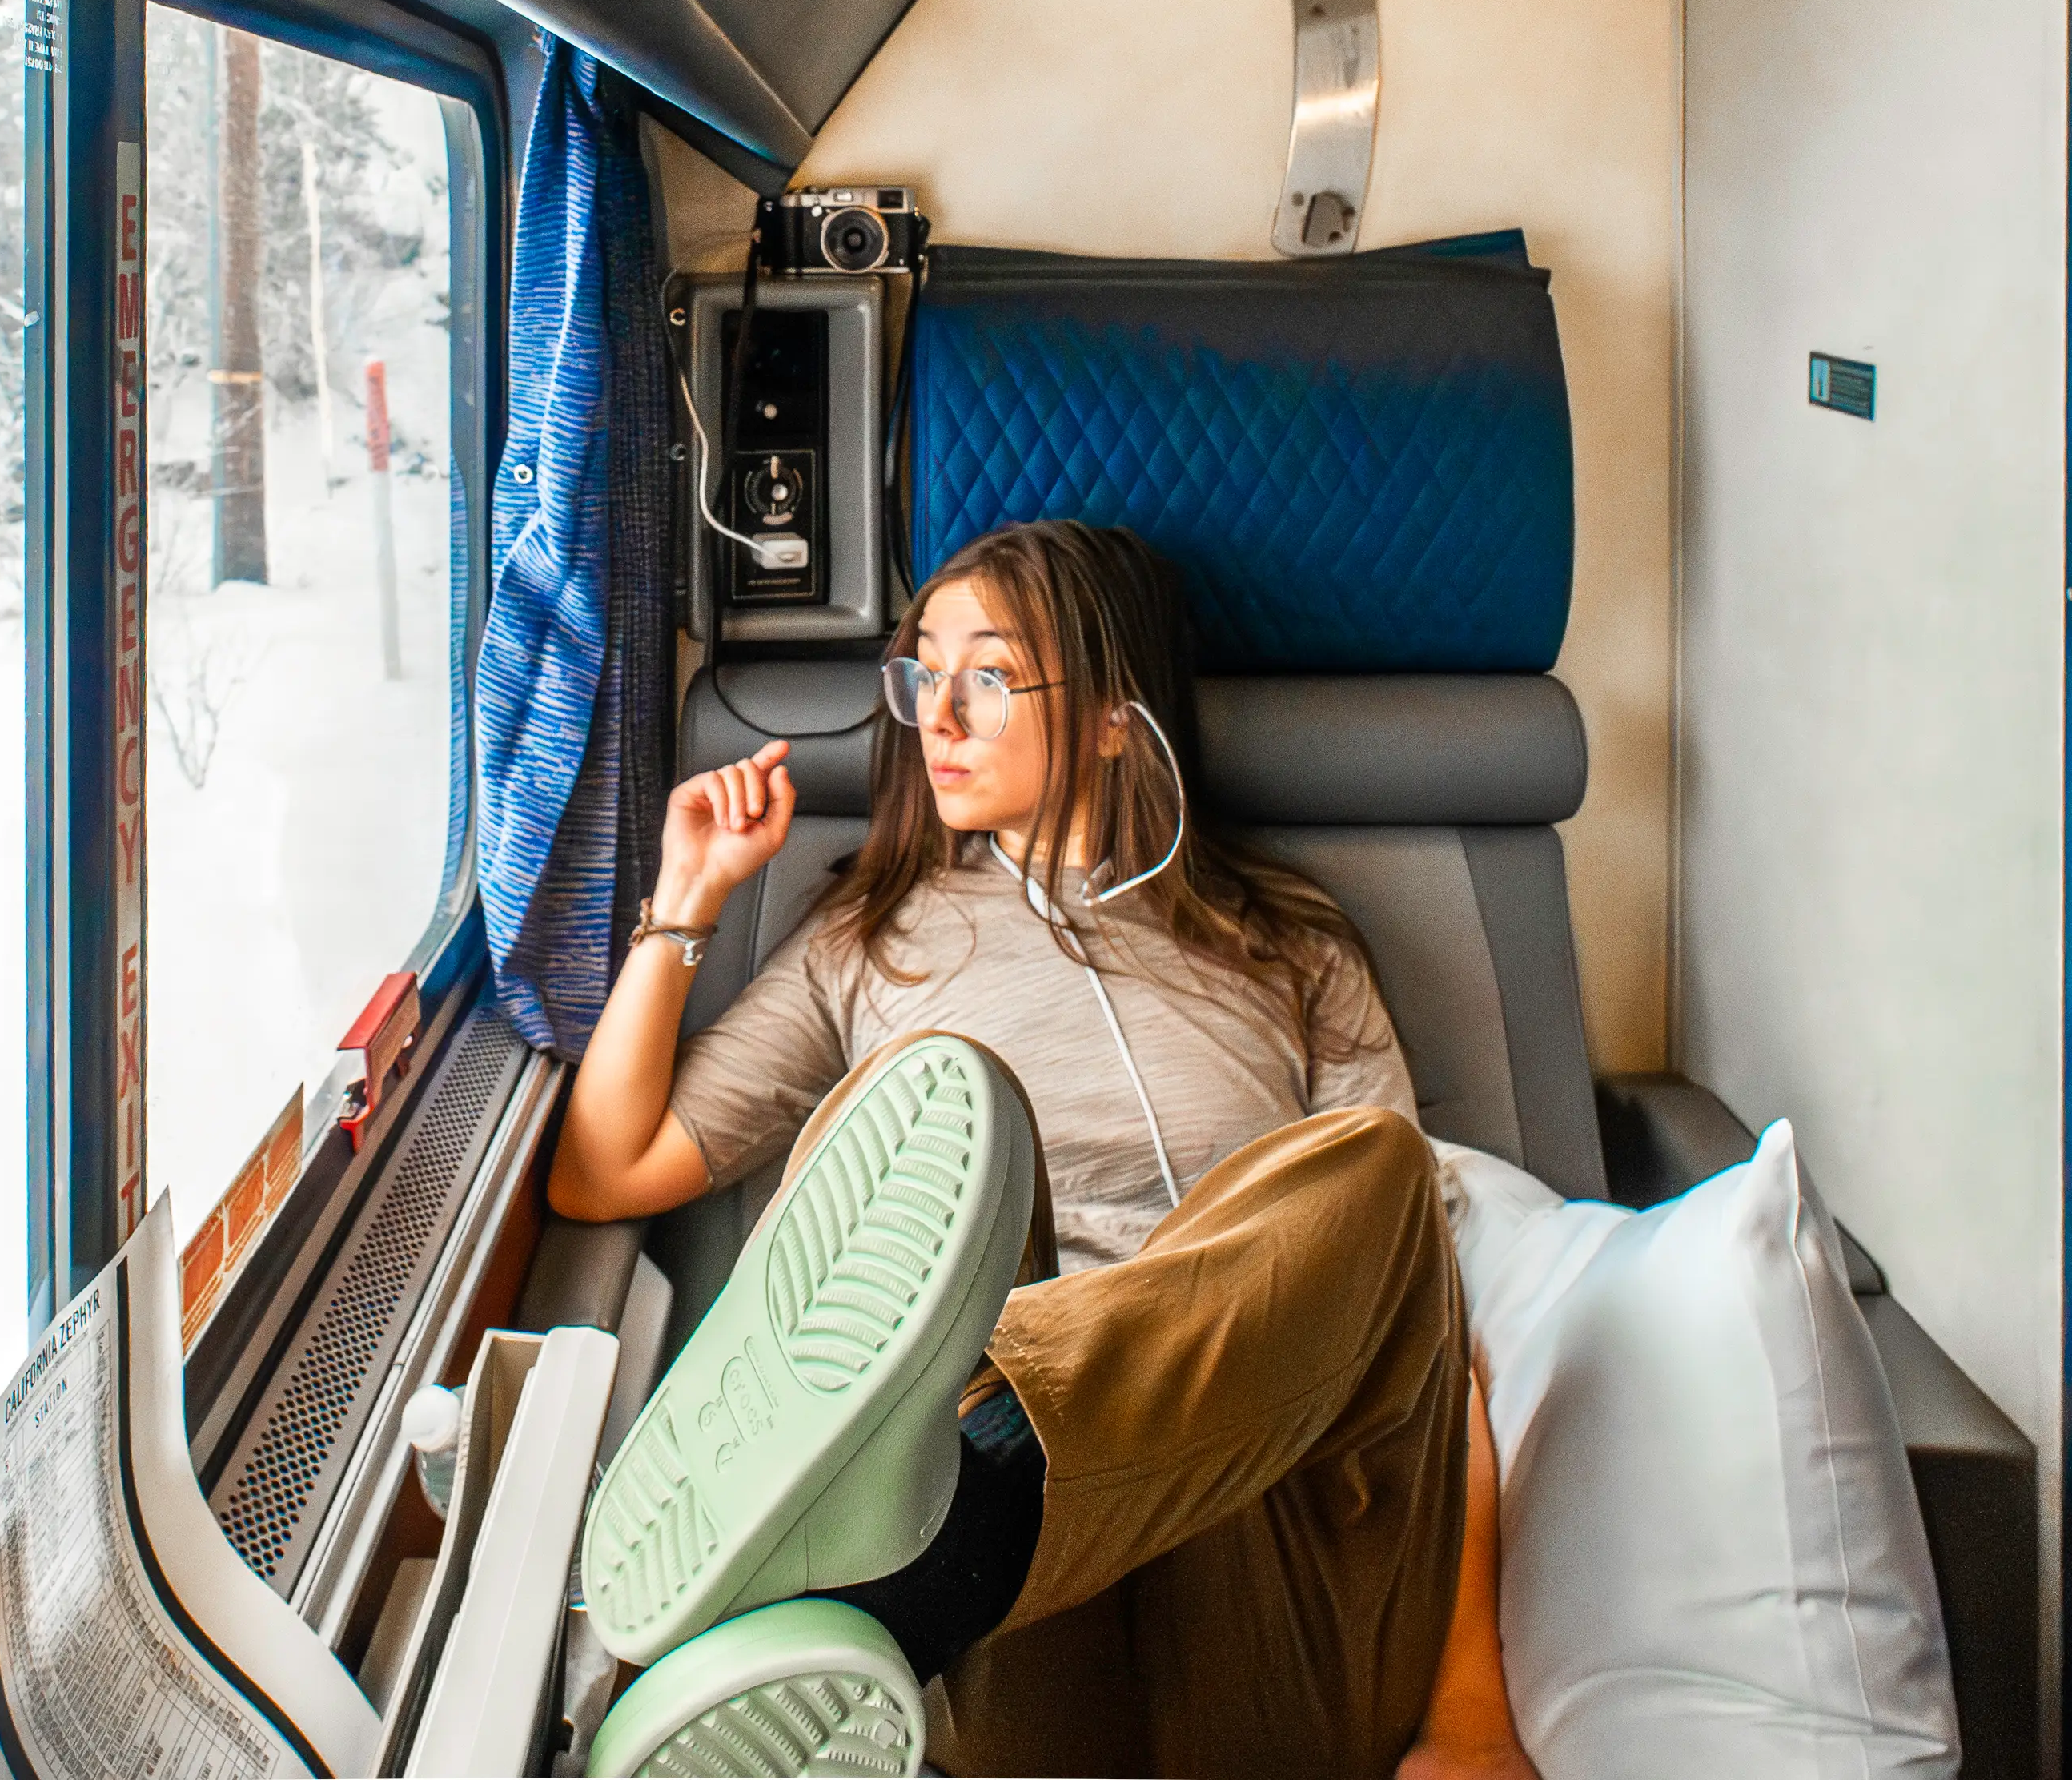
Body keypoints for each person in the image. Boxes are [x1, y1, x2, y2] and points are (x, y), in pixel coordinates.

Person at [552, 520, 1535, 1780]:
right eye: (923, 673)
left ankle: (913, 1534)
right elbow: (604, 1170)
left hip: (1257, 1571)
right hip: (1022, 1650)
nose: (937, 718)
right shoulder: (873, 939)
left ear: (1122, 718)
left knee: (1376, 1178)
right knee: (938, 1121)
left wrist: (1472, 1723)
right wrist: (685, 902)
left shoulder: (1291, 955)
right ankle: (936, 1500)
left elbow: (1426, 1343)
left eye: (992, 676)